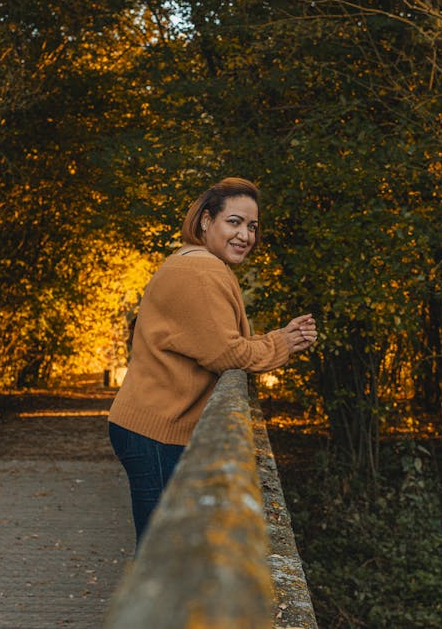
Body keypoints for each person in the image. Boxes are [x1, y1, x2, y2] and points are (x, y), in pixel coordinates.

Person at [108, 177, 317, 545]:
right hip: (156, 429)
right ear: (206, 221)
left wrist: (277, 339)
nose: (246, 235)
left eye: (252, 226)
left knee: (166, 549)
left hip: (154, 425)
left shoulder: (198, 264)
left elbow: (221, 344)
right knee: (164, 553)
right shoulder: (200, 272)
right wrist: (281, 342)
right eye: (234, 222)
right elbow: (228, 354)